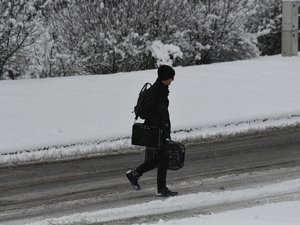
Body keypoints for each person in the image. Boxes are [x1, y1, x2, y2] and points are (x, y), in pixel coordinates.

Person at [126, 65, 178, 197]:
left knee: (159, 159)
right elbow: (156, 113)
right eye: (171, 78)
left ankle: (135, 174)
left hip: (158, 129)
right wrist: (161, 127)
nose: (172, 80)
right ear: (165, 78)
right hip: (157, 130)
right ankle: (161, 188)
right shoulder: (157, 93)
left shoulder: (160, 90)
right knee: (163, 159)